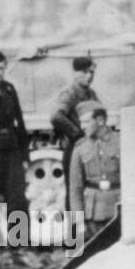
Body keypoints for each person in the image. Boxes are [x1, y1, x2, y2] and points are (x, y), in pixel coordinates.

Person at [0, 50, 29, 221]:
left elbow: (20, 123)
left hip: (11, 150)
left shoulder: (9, 89)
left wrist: (24, 157)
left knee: (17, 199)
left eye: (1, 68)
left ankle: (19, 244)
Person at [67, 102, 120, 238]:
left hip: (119, 210)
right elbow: (75, 189)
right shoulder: (80, 148)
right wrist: (79, 222)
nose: (82, 126)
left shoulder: (121, 141)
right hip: (94, 214)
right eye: (81, 122)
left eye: (86, 121)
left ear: (100, 120)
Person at [50, 55, 99, 195]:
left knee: (87, 191)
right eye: (84, 72)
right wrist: (78, 134)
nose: (89, 76)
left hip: (88, 148)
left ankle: (83, 218)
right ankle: (75, 219)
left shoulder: (91, 93)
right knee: (75, 192)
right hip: (74, 149)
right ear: (75, 73)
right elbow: (56, 116)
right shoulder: (70, 93)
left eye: (91, 72)